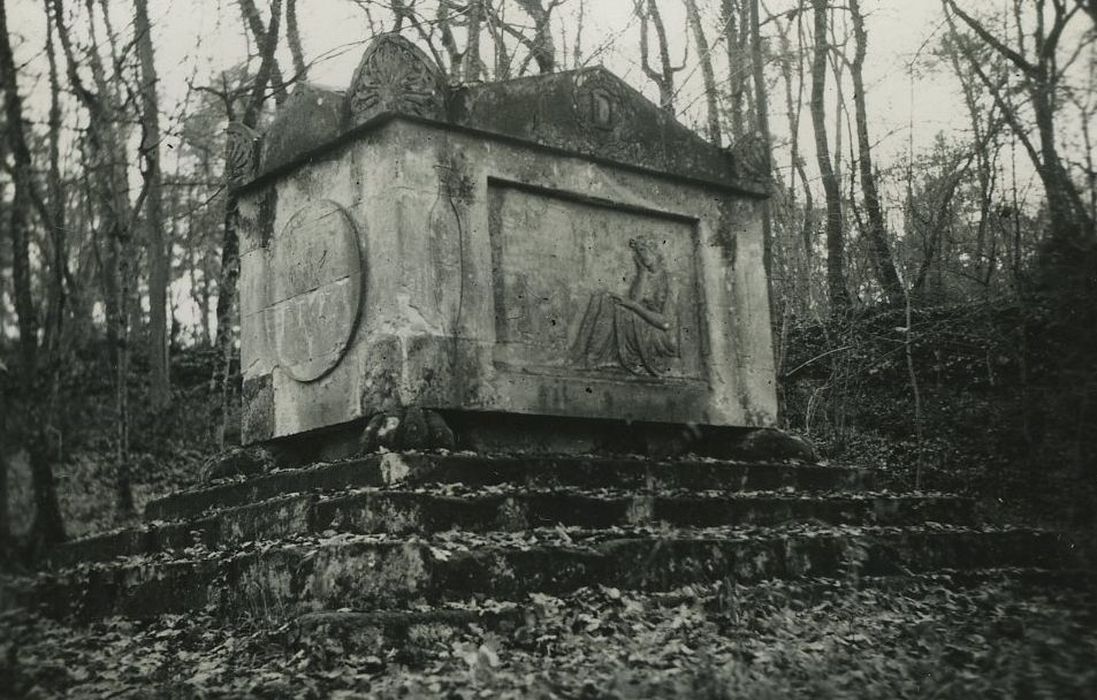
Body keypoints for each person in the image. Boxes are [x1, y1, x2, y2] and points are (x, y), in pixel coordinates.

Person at [570, 236, 678, 376]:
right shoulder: (644, 274)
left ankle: (592, 358)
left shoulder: (670, 280)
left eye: (644, 250)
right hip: (641, 320)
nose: (641, 255)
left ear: (655, 251)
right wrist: (642, 273)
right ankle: (581, 354)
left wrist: (634, 306)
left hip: (658, 334)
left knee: (613, 307)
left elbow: (666, 323)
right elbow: (636, 299)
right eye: (638, 252)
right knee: (603, 297)